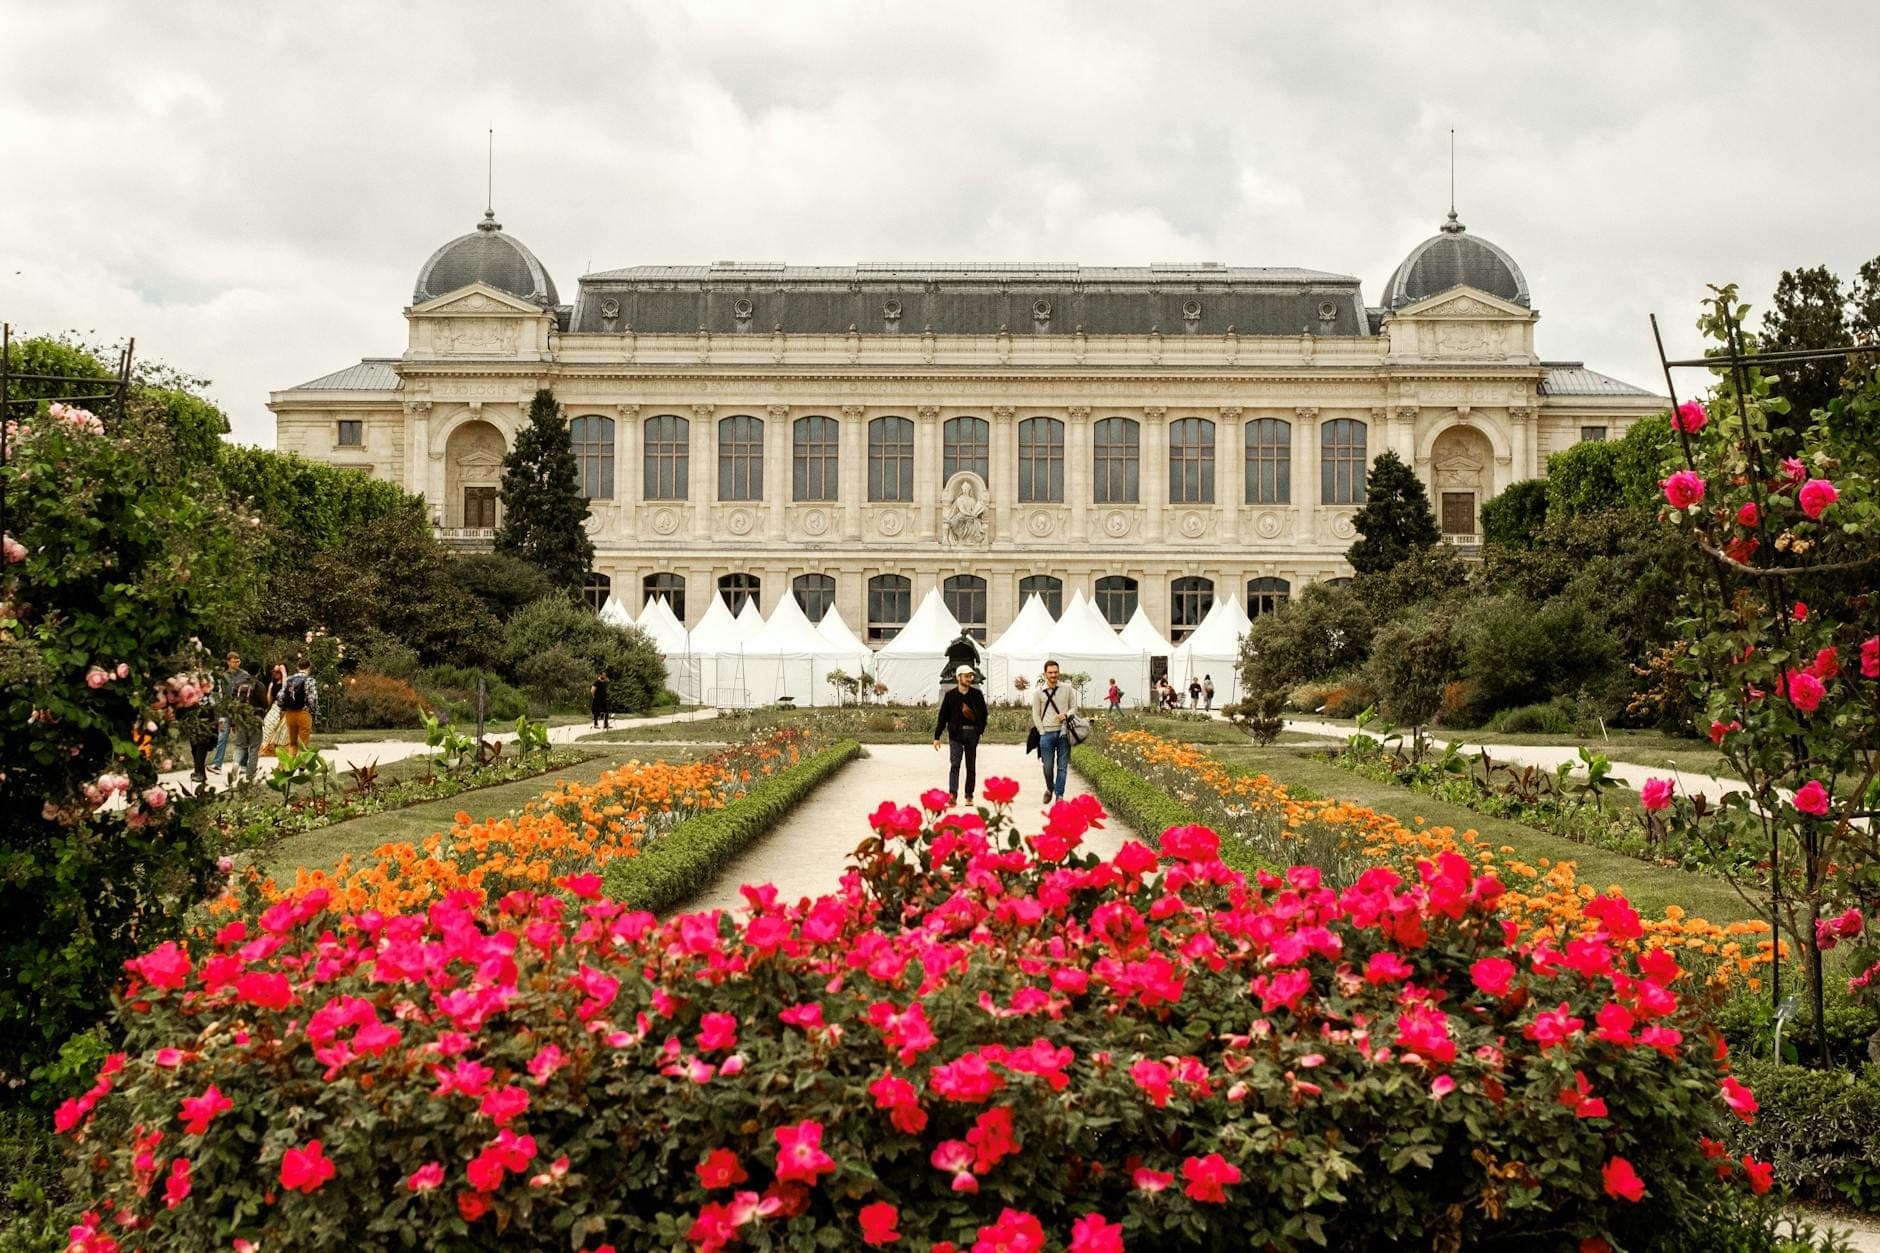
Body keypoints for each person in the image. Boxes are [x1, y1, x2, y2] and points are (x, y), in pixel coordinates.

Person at [932, 664, 988, 805]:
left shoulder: (976, 695)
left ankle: (969, 795)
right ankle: (952, 794)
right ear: (958, 677)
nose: (970, 678)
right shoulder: (950, 695)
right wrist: (937, 736)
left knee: (971, 765)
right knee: (955, 764)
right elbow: (943, 716)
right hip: (956, 735)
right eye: (967, 676)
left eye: (971, 676)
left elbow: (984, 714)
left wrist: (979, 730)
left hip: (971, 734)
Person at [1030, 659, 1077, 806]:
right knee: (1047, 766)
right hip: (1047, 734)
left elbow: (1074, 708)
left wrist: (1067, 715)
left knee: (1062, 767)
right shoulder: (1038, 693)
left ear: (1059, 672)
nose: (1053, 675)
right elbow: (1035, 714)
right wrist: (1042, 732)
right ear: (1045, 674)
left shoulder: (1067, 689)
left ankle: (1059, 796)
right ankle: (1050, 788)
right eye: (1050, 672)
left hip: (1064, 733)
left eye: (1055, 672)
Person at [226, 660, 271, 783]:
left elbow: (233, 702)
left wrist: (234, 722)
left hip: (241, 719)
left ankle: (236, 763)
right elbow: (265, 704)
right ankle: (250, 775)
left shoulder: (238, 683)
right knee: (254, 748)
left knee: (240, 746)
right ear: (258, 671)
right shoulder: (259, 685)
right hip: (254, 719)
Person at [209, 651, 245, 772]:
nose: (237, 664)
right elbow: (219, 694)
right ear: (228, 662)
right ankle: (217, 764)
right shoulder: (223, 676)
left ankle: (243, 765)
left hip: (239, 711)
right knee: (222, 737)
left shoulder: (244, 675)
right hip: (225, 712)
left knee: (241, 739)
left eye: (238, 661)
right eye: (234, 662)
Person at [277, 656, 319, 752]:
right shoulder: (309, 680)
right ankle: (301, 766)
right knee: (303, 744)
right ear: (309, 668)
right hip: (303, 713)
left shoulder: (289, 680)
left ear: (297, 667)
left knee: (292, 743)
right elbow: (312, 699)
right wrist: (313, 712)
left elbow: (280, 696)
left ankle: (291, 764)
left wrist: (283, 709)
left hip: (290, 714)